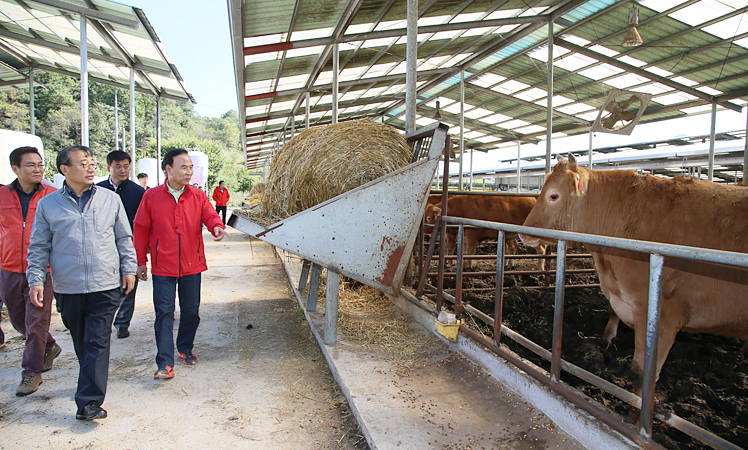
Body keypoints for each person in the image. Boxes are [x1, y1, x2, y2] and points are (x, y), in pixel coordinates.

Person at [27, 145, 137, 421]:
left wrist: (129, 268)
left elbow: (124, 237)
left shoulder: (109, 200)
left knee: (97, 341)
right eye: (83, 163)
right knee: (83, 343)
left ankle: (88, 402)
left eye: (92, 163)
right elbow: (38, 246)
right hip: (69, 286)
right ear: (65, 169)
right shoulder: (48, 205)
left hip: (105, 283)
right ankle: (90, 379)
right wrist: (36, 279)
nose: (90, 168)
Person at [133, 149, 228, 380]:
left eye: (191, 167)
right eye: (183, 167)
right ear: (168, 169)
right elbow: (141, 228)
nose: (189, 172)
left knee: (191, 312)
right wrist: (140, 261)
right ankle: (165, 362)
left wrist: (216, 226)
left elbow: (210, 215)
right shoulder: (151, 196)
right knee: (164, 313)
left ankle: (184, 348)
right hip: (162, 266)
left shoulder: (197, 195)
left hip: (191, 264)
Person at [0, 147, 60, 396]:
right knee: (18, 320)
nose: (38, 169)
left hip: (42, 271)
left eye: (40, 164)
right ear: (15, 168)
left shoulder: (54, 196)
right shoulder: (2, 195)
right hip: (9, 268)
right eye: (30, 165)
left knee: (36, 321)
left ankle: (31, 373)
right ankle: (51, 346)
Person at [97, 151, 145, 339]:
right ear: (109, 167)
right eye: (118, 166)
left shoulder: (138, 192)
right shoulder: (98, 190)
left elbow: (142, 222)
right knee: (105, 286)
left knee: (129, 284)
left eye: (126, 166)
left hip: (129, 246)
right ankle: (104, 321)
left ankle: (123, 322)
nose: (122, 170)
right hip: (104, 246)